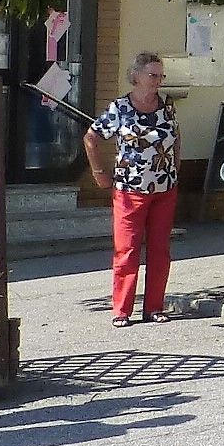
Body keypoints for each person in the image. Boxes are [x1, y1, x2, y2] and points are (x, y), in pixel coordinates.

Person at [87, 51, 180, 327]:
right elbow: (91, 137)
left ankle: (154, 307)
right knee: (127, 250)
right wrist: (99, 172)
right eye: (152, 75)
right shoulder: (120, 108)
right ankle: (122, 310)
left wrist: (176, 170)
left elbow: (176, 137)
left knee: (160, 250)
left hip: (164, 188)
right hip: (130, 190)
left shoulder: (167, 105)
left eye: (161, 76)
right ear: (136, 76)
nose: (158, 81)